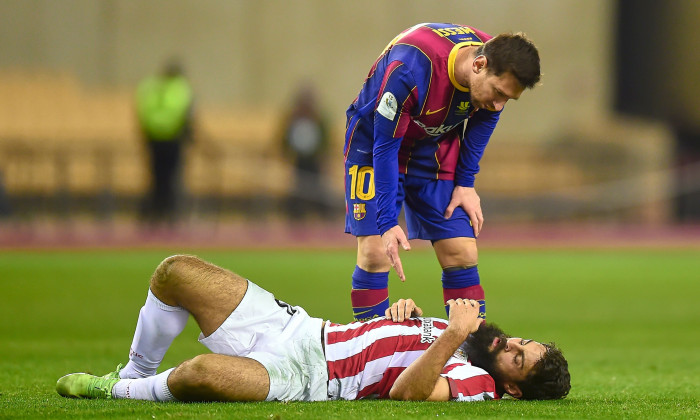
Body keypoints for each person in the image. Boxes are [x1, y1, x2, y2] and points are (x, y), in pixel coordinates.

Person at [56, 255, 570, 402]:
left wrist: (451, 335)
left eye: (517, 358)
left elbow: (406, 393)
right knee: (174, 273)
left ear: (511, 388)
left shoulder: (478, 384)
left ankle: (117, 391)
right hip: (303, 328)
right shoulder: (468, 340)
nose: (510, 344)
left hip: (309, 379)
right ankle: (133, 368)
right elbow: (384, 346)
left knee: (199, 374)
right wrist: (399, 316)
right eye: (523, 341)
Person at [343, 23, 541, 321]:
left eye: (508, 99)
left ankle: (467, 358)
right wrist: (385, 222)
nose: (499, 104)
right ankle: (373, 355)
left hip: (432, 148)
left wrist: (466, 184)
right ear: (478, 65)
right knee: (375, 255)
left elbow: (485, 120)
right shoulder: (409, 70)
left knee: (462, 253)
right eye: (498, 92)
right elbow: (385, 147)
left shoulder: (497, 54)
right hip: (374, 146)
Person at [136, 58, 195, 225]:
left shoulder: (150, 87)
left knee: (156, 179)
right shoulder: (181, 88)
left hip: (153, 139)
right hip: (173, 139)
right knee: (172, 179)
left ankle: (153, 216)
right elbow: (187, 114)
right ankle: (171, 216)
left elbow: (142, 112)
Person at [279, 82, 331, 219]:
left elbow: (325, 141)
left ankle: (324, 217)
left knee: (318, 189)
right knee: (297, 189)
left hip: (315, 161)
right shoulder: (292, 119)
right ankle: (295, 216)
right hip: (298, 160)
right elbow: (284, 139)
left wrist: (324, 157)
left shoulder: (318, 119)